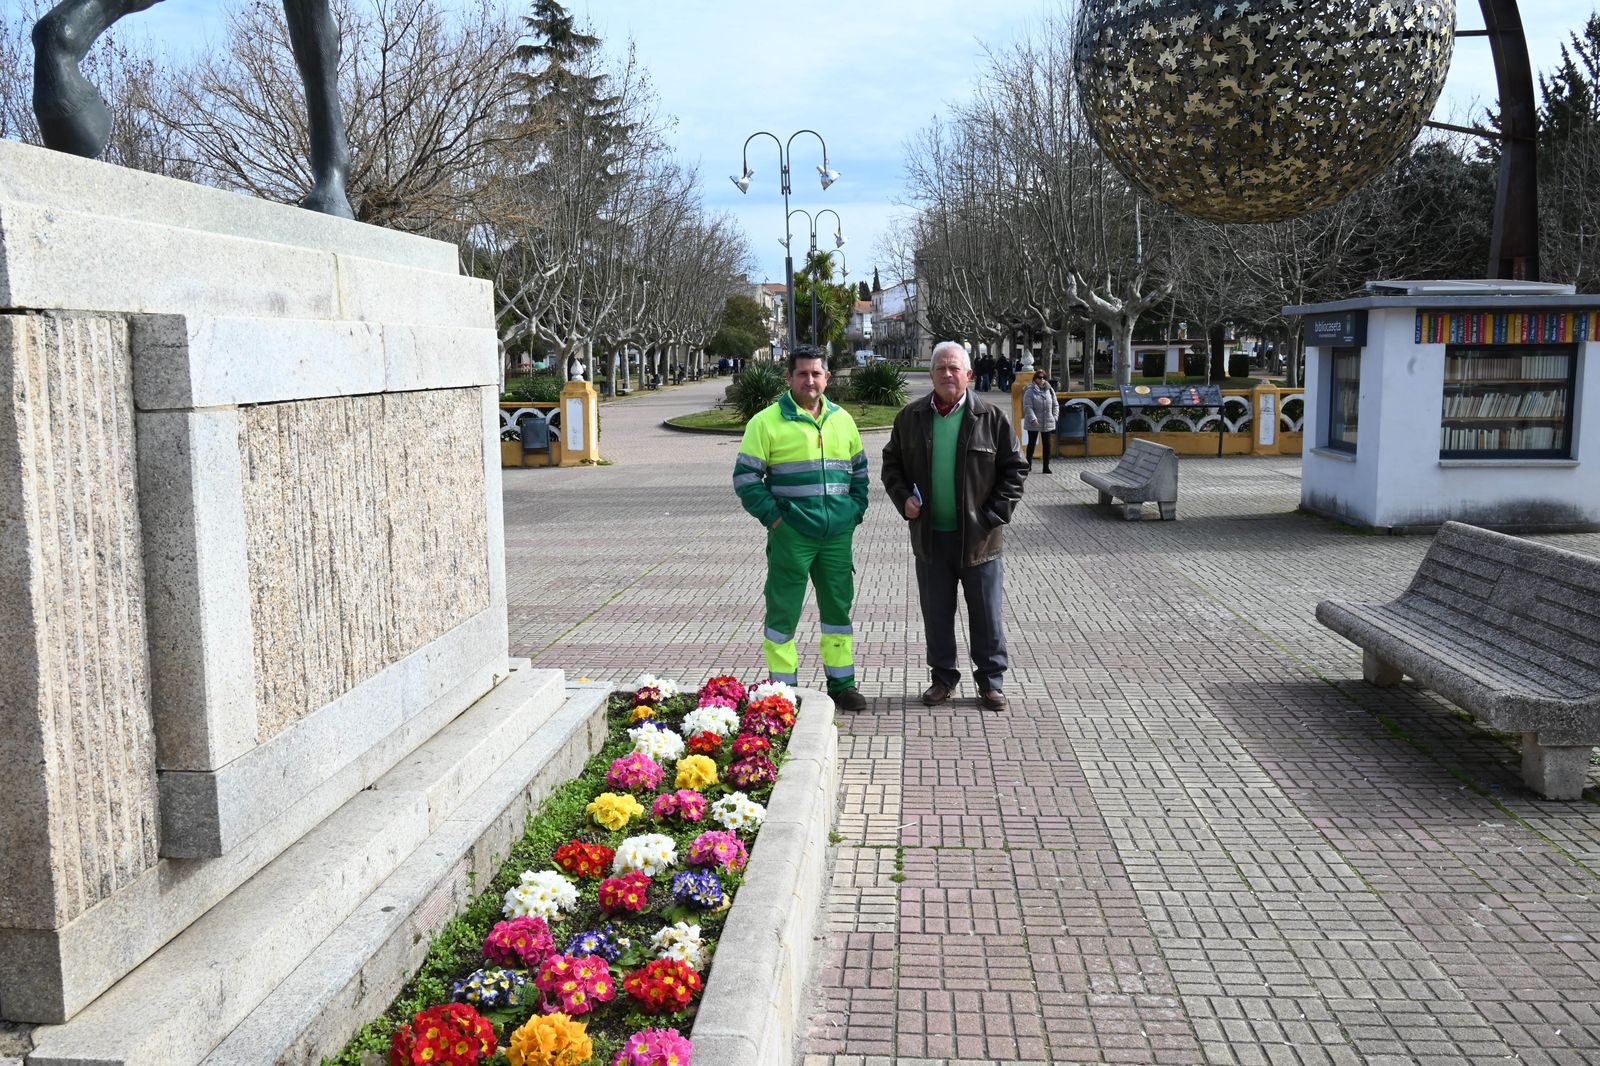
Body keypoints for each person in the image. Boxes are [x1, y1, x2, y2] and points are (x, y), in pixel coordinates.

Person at [881, 340, 1028, 712]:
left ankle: (991, 682)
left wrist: (992, 517)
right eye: (941, 368)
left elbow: (1015, 470)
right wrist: (904, 500)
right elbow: (891, 465)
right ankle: (942, 679)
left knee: (987, 616)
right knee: (937, 616)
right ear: (931, 374)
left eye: (955, 368)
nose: (948, 374)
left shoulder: (991, 419)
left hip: (980, 543)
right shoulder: (910, 418)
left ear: (969, 375)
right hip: (931, 540)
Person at [733, 345, 870, 712]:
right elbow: (746, 479)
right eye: (803, 373)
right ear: (789, 377)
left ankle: (842, 686)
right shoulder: (765, 422)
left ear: (827, 377)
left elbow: (860, 472)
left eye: (817, 373)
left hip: (837, 536)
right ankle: (783, 692)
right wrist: (776, 519)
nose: (810, 380)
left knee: (838, 613)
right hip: (791, 534)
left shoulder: (843, 420)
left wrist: (854, 512)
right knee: (783, 613)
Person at [1021, 370, 1058, 473]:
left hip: (1047, 421)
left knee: (1047, 444)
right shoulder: (1030, 391)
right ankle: (1028, 464)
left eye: (1044, 377)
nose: (1042, 380)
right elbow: (1027, 407)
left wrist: (1054, 417)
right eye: (1039, 377)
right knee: (1032, 443)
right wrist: (1033, 418)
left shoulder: (1049, 390)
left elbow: (1055, 405)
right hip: (1034, 421)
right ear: (1035, 379)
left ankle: (1046, 467)